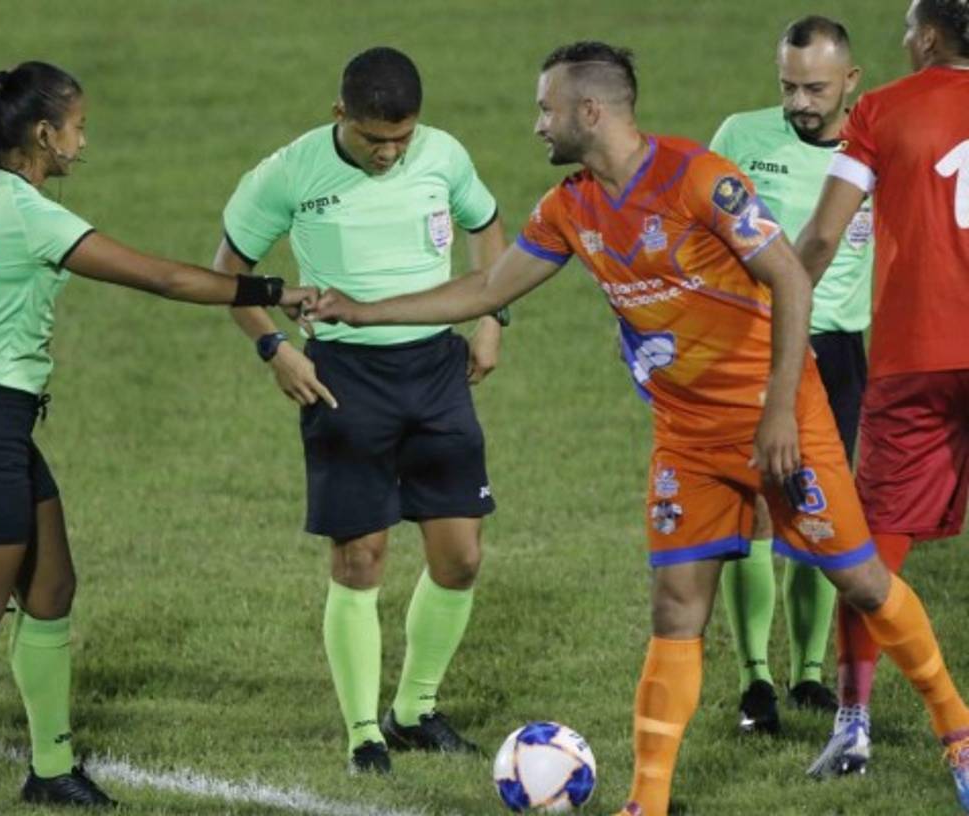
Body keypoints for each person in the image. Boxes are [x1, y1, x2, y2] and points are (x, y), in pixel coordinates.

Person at [307, 40, 969, 815]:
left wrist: (780, 408)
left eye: (545, 109)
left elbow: (789, 274)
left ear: (590, 111)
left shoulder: (698, 179)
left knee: (859, 581)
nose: (536, 126)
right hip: (686, 438)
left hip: (778, 424)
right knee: (675, 608)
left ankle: (958, 731)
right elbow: (486, 285)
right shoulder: (571, 207)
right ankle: (647, 802)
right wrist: (360, 310)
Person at [0, 61, 309, 816]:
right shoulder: (28, 213)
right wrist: (273, 290)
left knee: (52, 587)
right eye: (77, 125)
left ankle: (52, 769)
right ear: (42, 133)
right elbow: (160, 278)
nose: (83, 141)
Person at [213, 46, 507, 774]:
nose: (389, 153)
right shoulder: (287, 173)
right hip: (343, 374)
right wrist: (273, 349)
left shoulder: (443, 155)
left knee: (461, 556)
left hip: (438, 369)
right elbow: (227, 273)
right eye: (375, 138)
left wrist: (495, 317)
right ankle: (362, 732)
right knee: (360, 557)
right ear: (339, 114)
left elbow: (489, 226)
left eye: (401, 138)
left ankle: (414, 710)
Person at [796, 0, 969, 784]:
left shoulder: (882, 110)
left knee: (873, 546)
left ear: (931, 36)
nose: (903, 41)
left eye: (907, 30)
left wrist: (773, 314)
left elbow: (826, 235)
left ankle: (853, 724)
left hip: (916, 356)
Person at [708, 15, 871, 735]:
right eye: (788, 86)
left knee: (819, 510)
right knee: (756, 507)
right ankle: (756, 680)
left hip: (837, 350)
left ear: (850, 83)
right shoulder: (741, 137)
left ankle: (810, 674)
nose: (799, 102)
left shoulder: (877, 143)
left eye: (815, 88)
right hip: (754, 346)